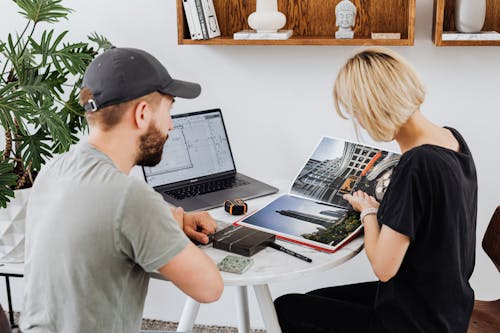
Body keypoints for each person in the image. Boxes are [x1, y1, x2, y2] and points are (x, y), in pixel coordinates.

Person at [20, 47, 224, 333]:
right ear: (142, 114)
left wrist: (166, 218)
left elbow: (102, 215)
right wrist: (166, 223)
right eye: (168, 110)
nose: (170, 126)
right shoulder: (132, 198)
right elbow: (210, 287)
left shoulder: (54, 170)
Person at [274, 47, 477, 332]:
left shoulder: (416, 164)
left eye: (356, 112)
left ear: (374, 107)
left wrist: (369, 212)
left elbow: (384, 268)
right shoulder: (451, 138)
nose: (359, 121)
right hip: (446, 304)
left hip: (416, 322)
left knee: (285, 309)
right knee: (310, 302)